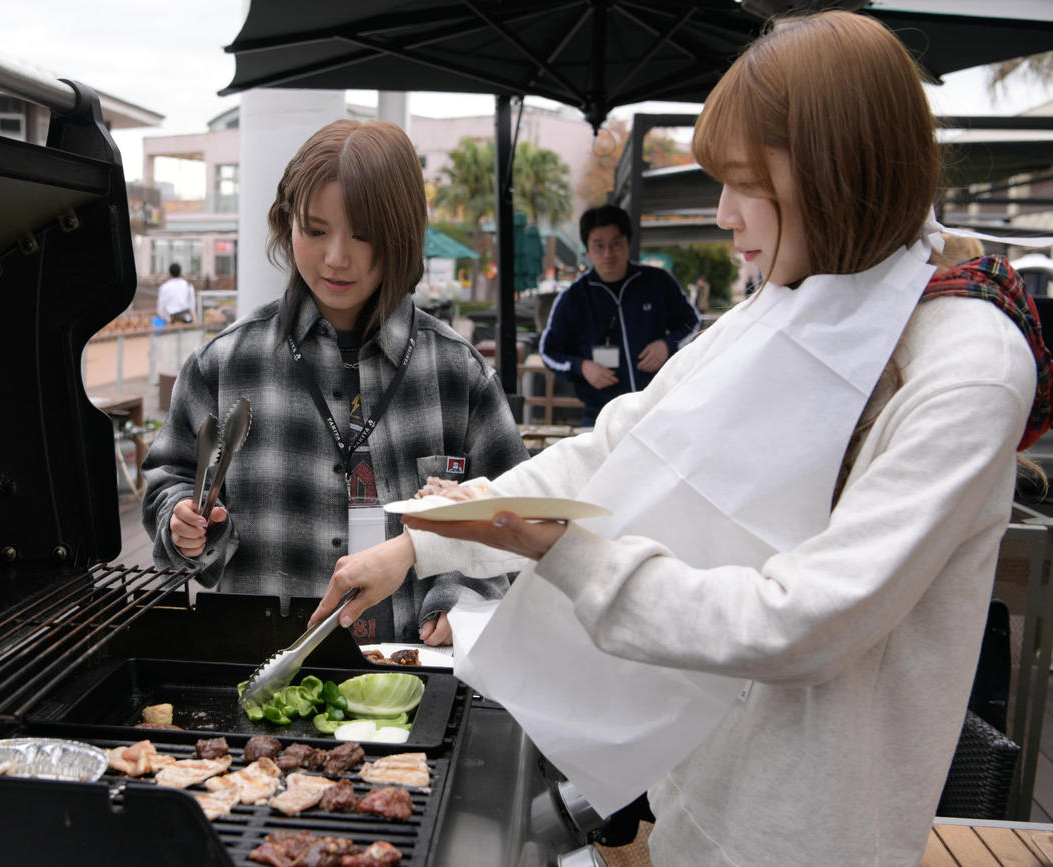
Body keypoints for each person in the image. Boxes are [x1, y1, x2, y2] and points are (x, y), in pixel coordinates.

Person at [310, 11, 1052, 866]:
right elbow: (622, 444)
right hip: (693, 784)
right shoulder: (804, 297)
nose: (724, 212)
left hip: (811, 830)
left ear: (834, 170)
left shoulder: (968, 364)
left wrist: (565, 553)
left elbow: (806, 622)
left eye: (744, 180)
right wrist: (419, 545)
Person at [141, 119, 527, 646]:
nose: (336, 257)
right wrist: (182, 522)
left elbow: (516, 519)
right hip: (257, 674)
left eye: (363, 235)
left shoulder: (459, 375)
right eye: (315, 231)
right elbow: (170, 476)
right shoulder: (225, 363)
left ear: (402, 235)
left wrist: (460, 596)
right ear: (286, 223)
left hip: (412, 680)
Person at [539, 205, 701, 425]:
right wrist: (582, 367)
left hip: (657, 410)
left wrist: (668, 345)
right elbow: (549, 351)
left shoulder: (658, 282)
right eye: (599, 246)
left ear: (628, 244)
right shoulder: (573, 298)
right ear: (587, 249)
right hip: (600, 416)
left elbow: (692, 322)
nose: (608, 254)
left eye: (616, 244)